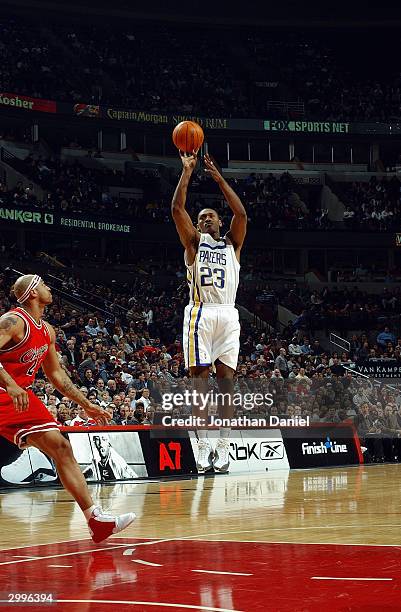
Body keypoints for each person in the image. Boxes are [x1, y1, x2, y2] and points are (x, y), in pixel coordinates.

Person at [0, 273, 135, 543]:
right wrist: (12, 385)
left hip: (19, 396)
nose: (51, 288)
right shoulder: (12, 321)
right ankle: (95, 518)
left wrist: (87, 405)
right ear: (33, 292)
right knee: (60, 447)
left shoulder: (47, 331)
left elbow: (57, 376)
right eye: (44, 284)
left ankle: (96, 521)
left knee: (60, 448)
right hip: (7, 392)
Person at [171, 152, 247, 473]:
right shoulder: (193, 243)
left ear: (219, 222)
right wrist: (187, 171)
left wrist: (218, 177)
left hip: (228, 315)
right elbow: (177, 209)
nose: (204, 220)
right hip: (200, 314)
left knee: (227, 383)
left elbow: (241, 213)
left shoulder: (233, 245)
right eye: (201, 217)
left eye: (210, 216)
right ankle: (202, 443)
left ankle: (223, 443)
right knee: (200, 384)